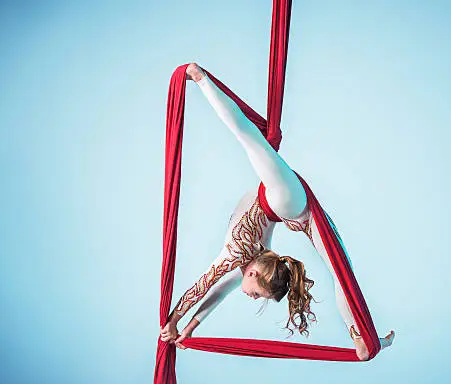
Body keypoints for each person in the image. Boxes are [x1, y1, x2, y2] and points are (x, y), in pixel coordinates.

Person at [160, 63, 394, 361]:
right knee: (250, 140)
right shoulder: (239, 252)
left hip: (291, 210)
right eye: (258, 294)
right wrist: (175, 321)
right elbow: (205, 285)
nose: (252, 297)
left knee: (340, 271)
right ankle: (200, 77)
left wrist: (189, 324)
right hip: (286, 200)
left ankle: (364, 340)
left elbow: (220, 288)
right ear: (255, 272)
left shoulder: (251, 257)